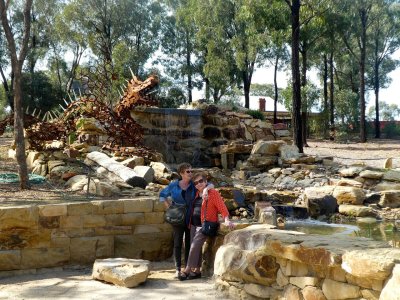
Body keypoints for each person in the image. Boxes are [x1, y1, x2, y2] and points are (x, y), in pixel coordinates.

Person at [180, 171, 234, 280]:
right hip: (193, 224)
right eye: (196, 183)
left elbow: (221, 206)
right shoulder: (195, 193)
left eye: (201, 181)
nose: (199, 184)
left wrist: (227, 219)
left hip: (206, 225)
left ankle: (187, 270)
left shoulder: (212, 193)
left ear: (205, 181)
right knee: (195, 247)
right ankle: (197, 271)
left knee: (194, 246)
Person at [159, 163, 195, 280]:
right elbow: (162, 195)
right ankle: (177, 269)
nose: (190, 173)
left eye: (191, 171)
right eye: (188, 172)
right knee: (178, 243)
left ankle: (187, 269)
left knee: (190, 244)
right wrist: (169, 207)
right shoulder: (174, 185)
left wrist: (208, 188)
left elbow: (208, 184)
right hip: (177, 217)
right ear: (181, 174)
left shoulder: (194, 185)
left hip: (190, 217)